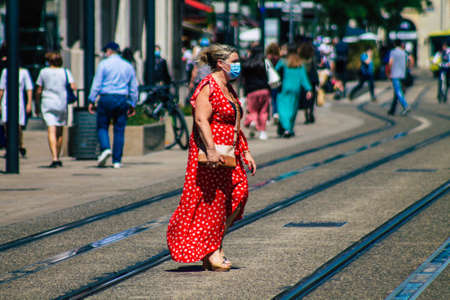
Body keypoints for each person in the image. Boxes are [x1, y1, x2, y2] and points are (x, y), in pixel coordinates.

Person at [167, 44, 256, 271]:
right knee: (213, 204)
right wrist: (212, 149)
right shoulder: (208, 86)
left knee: (239, 194)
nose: (238, 66)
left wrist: (245, 151)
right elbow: (200, 120)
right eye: (234, 62)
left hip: (230, 155)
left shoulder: (229, 88)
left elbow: (234, 121)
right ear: (220, 63)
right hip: (212, 155)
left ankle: (212, 245)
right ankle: (214, 251)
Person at [88, 42, 138, 169]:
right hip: (122, 98)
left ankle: (105, 148)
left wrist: (91, 99)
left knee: (102, 126)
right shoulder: (128, 66)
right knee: (119, 130)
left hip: (106, 97)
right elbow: (133, 87)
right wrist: (133, 103)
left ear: (109, 51)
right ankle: (117, 160)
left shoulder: (103, 64)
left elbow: (97, 83)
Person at [35, 52, 77, 167]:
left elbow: (39, 90)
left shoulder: (43, 72)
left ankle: (54, 158)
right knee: (60, 131)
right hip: (61, 103)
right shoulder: (65, 71)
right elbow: (73, 86)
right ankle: (57, 156)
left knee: (51, 129)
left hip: (47, 102)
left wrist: (37, 104)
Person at [275, 44, 312, 138]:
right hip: (296, 89)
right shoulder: (300, 63)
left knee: (283, 109)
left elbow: (274, 72)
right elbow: (304, 78)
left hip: (285, 88)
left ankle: (286, 129)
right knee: (293, 109)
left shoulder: (283, 62)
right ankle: (290, 128)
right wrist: (308, 89)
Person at [0, 61, 33, 157]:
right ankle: (9, 148)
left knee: (18, 126)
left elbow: (29, 88)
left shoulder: (24, 72)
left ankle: (20, 144)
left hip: (19, 102)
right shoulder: (5, 72)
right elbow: (1, 88)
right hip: (6, 101)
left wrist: (29, 103)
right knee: (6, 125)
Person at [242, 46, 271, 140]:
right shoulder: (264, 63)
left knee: (253, 110)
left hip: (251, 91)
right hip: (264, 90)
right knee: (263, 111)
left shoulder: (247, 64)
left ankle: (253, 122)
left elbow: (243, 79)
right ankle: (262, 133)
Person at [387, 40, 411, 116]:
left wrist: (389, 73)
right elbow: (408, 63)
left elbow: (390, 63)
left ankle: (406, 106)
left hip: (395, 74)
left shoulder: (393, 52)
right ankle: (392, 110)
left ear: (394, 44)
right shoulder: (404, 53)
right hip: (403, 75)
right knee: (397, 92)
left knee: (398, 91)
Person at [298, 42, 319, 124]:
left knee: (305, 99)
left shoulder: (300, 61)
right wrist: (317, 82)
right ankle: (311, 113)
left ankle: (306, 115)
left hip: (304, 82)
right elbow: (315, 72)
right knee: (311, 99)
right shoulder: (312, 59)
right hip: (312, 81)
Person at [266, 43, 281, 121]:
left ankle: (267, 116)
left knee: (268, 99)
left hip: (268, 80)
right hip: (276, 81)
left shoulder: (267, 59)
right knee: (275, 98)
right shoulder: (278, 59)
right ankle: (275, 113)